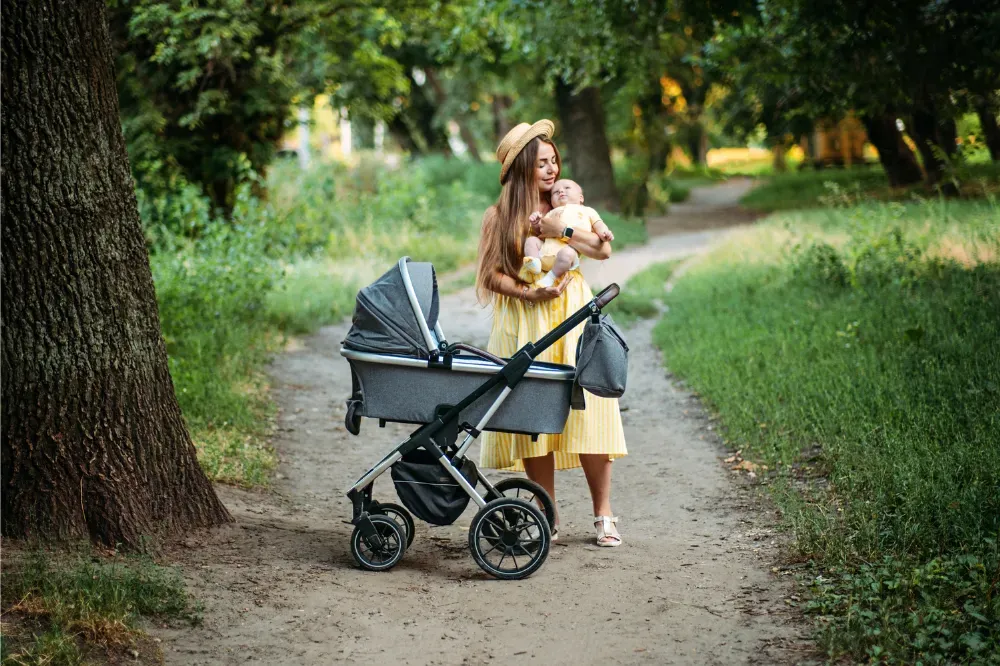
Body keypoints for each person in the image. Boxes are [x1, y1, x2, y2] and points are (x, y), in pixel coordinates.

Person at [476, 120, 627, 547]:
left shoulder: (567, 210)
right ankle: (548, 514)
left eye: (554, 161)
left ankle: (604, 514)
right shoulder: (499, 217)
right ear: (523, 168)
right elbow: (490, 276)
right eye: (542, 163)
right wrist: (528, 292)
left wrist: (556, 231)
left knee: (591, 407)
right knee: (534, 414)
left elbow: (601, 249)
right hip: (525, 317)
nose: (552, 170)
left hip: (572, 313)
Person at [521, 179, 615, 288]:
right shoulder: (551, 213)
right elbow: (542, 230)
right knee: (531, 241)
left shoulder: (587, 211)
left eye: (567, 188)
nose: (561, 191)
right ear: (551, 201)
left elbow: (599, 224)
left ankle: (550, 277)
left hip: (566, 255)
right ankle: (534, 263)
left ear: (581, 198)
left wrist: (605, 233)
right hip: (544, 251)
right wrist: (536, 223)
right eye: (555, 192)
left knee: (567, 253)